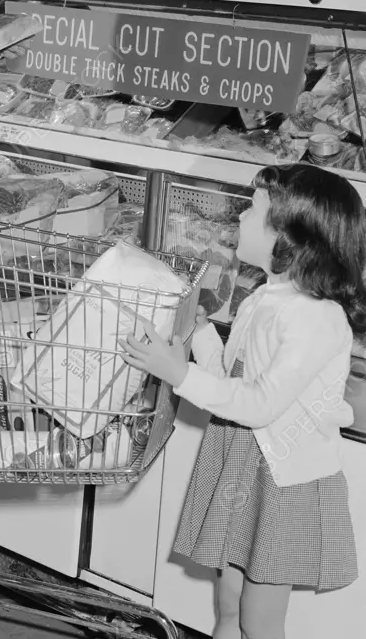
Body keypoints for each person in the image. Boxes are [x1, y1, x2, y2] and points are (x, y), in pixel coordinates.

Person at [122, 164, 364, 639]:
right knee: (229, 601)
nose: (239, 218)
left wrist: (179, 372)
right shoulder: (263, 298)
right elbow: (228, 380)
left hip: (284, 479)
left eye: (254, 213)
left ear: (291, 239)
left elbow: (259, 404)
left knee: (260, 618)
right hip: (241, 461)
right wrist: (198, 334)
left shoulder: (317, 318)